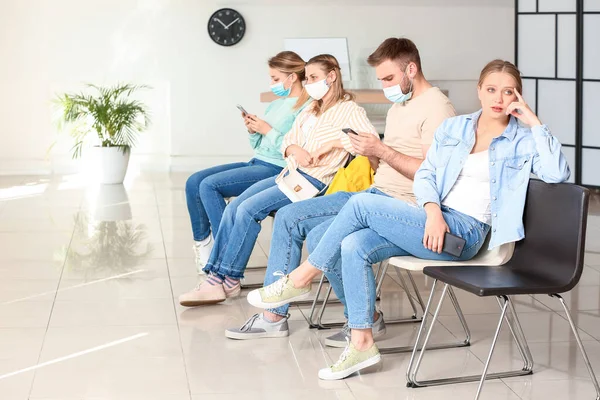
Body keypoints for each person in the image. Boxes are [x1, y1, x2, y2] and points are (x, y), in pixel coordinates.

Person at [248, 59, 571, 380]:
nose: (499, 98)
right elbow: (428, 174)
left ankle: (301, 279)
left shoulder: (522, 140)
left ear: (518, 96)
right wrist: (432, 211)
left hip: (466, 235)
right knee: (354, 243)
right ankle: (361, 342)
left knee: (361, 204)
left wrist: (533, 121)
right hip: (435, 220)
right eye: (491, 89)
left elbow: (558, 172)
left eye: (508, 92)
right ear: (479, 91)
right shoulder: (456, 127)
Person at [224, 38, 455, 341]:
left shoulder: (437, 107)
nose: (385, 86)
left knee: (317, 233)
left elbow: (432, 174)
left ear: (411, 69)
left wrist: (379, 151)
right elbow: (378, 160)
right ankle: (350, 317)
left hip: (403, 204)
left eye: (389, 79)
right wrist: (371, 152)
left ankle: (300, 307)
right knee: (290, 217)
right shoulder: (400, 106)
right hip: (375, 192)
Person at [179, 54, 380, 307]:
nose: (309, 83)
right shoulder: (310, 109)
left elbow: (371, 143)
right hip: (290, 175)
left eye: (314, 78)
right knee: (236, 206)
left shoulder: (350, 109)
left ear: (332, 77)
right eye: (307, 78)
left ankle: (221, 278)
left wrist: (331, 144)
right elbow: (287, 141)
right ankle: (224, 280)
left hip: (314, 183)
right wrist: (295, 150)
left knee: (249, 210)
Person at [184, 51, 310, 275]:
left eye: (275, 78)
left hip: (277, 168)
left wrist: (267, 130)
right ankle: (205, 245)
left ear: (292, 77)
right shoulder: (276, 105)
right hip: (258, 161)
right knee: (194, 182)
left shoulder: (306, 108)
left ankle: (224, 254)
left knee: (209, 185)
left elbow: (295, 148)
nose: (272, 83)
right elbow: (260, 145)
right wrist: (253, 130)